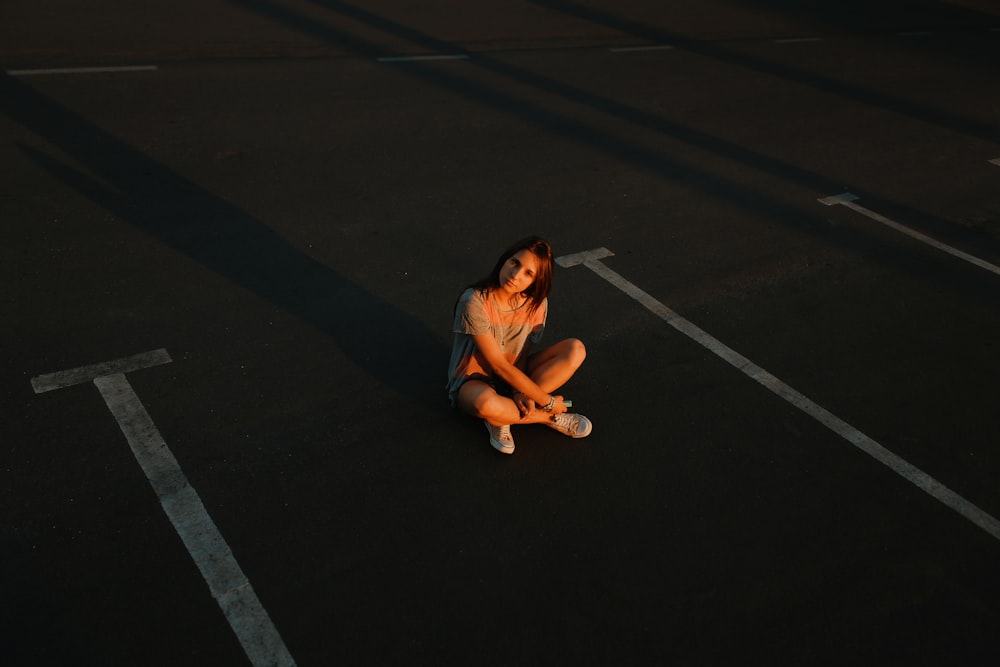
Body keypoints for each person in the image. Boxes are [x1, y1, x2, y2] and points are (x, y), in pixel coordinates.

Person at [446, 236, 592, 454]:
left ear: (536, 280)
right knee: (486, 404)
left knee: (575, 349)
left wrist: (518, 391)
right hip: (474, 380)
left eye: (528, 273)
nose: (515, 275)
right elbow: (498, 365)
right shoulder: (474, 301)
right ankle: (543, 418)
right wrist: (549, 404)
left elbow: (521, 351)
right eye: (514, 263)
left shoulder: (536, 303)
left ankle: (504, 415)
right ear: (504, 260)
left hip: (513, 373)